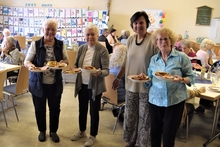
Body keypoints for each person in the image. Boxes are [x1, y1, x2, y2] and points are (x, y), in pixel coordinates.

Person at [112, 11, 158, 147]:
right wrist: (118, 77)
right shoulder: (131, 39)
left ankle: (142, 143)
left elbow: (157, 63)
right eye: (136, 23)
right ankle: (131, 141)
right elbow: (126, 61)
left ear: (147, 24)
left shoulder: (153, 41)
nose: (138, 25)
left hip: (147, 87)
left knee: (145, 118)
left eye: (141, 22)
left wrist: (150, 76)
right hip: (130, 85)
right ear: (132, 25)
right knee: (130, 116)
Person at [147, 27, 194, 147]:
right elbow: (149, 80)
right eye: (160, 39)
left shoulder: (181, 57)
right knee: (155, 132)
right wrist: (145, 78)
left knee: (169, 134)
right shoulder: (154, 59)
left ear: (171, 40)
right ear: (156, 43)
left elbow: (191, 78)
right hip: (155, 100)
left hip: (175, 100)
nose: (163, 42)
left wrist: (181, 79)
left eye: (166, 39)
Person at [24, 18, 69, 143]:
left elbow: (66, 60)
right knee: (40, 109)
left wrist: (62, 63)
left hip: (55, 83)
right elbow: (27, 60)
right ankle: (42, 131)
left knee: (55, 109)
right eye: (47, 29)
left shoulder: (60, 44)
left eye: (53, 29)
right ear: (42, 30)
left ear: (56, 31)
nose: (50, 32)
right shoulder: (35, 44)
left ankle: (53, 131)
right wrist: (31, 66)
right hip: (38, 83)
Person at [71, 23, 109, 147]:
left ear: (97, 35)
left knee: (94, 112)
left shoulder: (102, 50)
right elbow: (76, 65)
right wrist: (74, 69)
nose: (90, 37)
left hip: (95, 86)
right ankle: (82, 131)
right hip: (82, 84)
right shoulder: (82, 48)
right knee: (82, 110)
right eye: (87, 34)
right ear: (84, 35)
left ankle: (93, 135)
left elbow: (106, 70)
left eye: (92, 34)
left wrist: (99, 72)